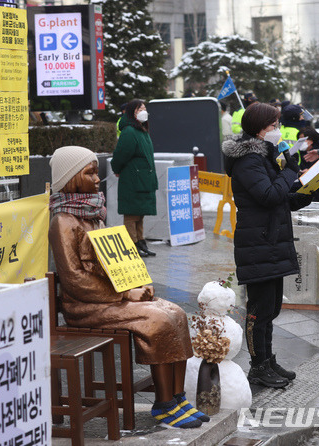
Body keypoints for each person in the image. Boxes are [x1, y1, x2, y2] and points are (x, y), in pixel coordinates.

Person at [48, 145, 208, 429]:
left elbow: (117, 259)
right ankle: (164, 403)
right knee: (157, 319)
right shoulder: (63, 221)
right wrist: (125, 293)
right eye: (91, 172)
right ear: (70, 177)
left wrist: (140, 283)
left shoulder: (93, 214)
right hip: (85, 306)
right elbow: (75, 281)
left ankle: (178, 396)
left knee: (177, 313)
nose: (98, 179)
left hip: (111, 298)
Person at [222, 103, 313, 388]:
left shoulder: (264, 156)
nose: (277, 130)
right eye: (273, 126)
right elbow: (269, 194)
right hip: (257, 242)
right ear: (260, 129)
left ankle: (268, 360)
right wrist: (290, 175)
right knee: (258, 310)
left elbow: (280, 195)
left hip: (270, 239)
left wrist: (304, 187)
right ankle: (257, 366)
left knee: (271, 308)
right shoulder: (249, 160)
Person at [111, 99, 157, 258]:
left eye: (144, 108)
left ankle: (140, 241)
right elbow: (120, 155)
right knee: (131, 214)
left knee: (139, 213)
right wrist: (116, 169)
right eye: (139, 109)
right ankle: (131, 245)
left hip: (142, 179)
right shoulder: (130, 131)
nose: (144, 112)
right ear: (132, 113)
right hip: (133, 179)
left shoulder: (140, 130)